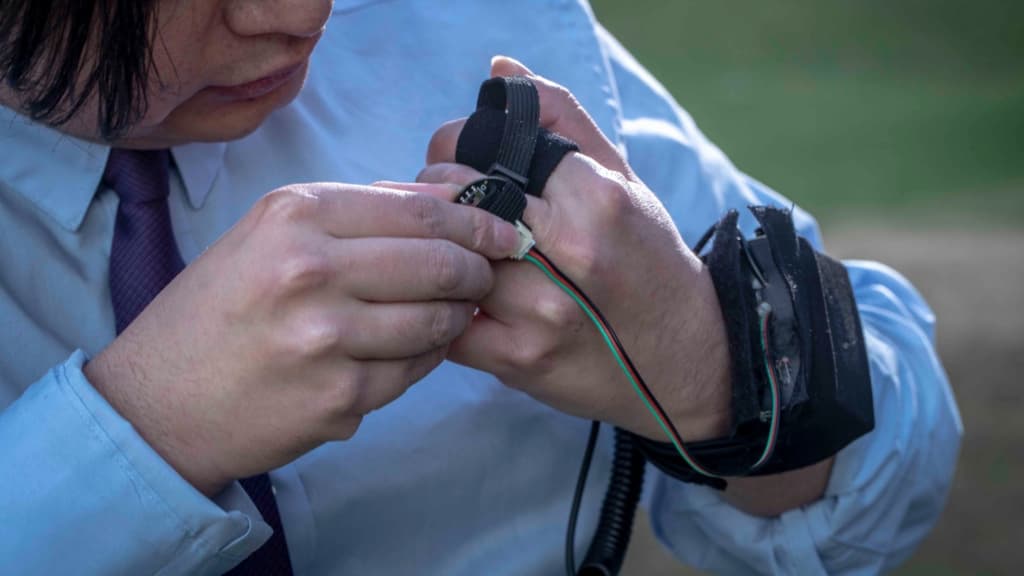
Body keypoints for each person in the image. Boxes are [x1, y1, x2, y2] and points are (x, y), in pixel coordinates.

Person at [0, 0, 961, 574]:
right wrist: (143, 435)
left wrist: (709, 364)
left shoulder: (460, 17)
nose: (300, 13)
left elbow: (893, 476)